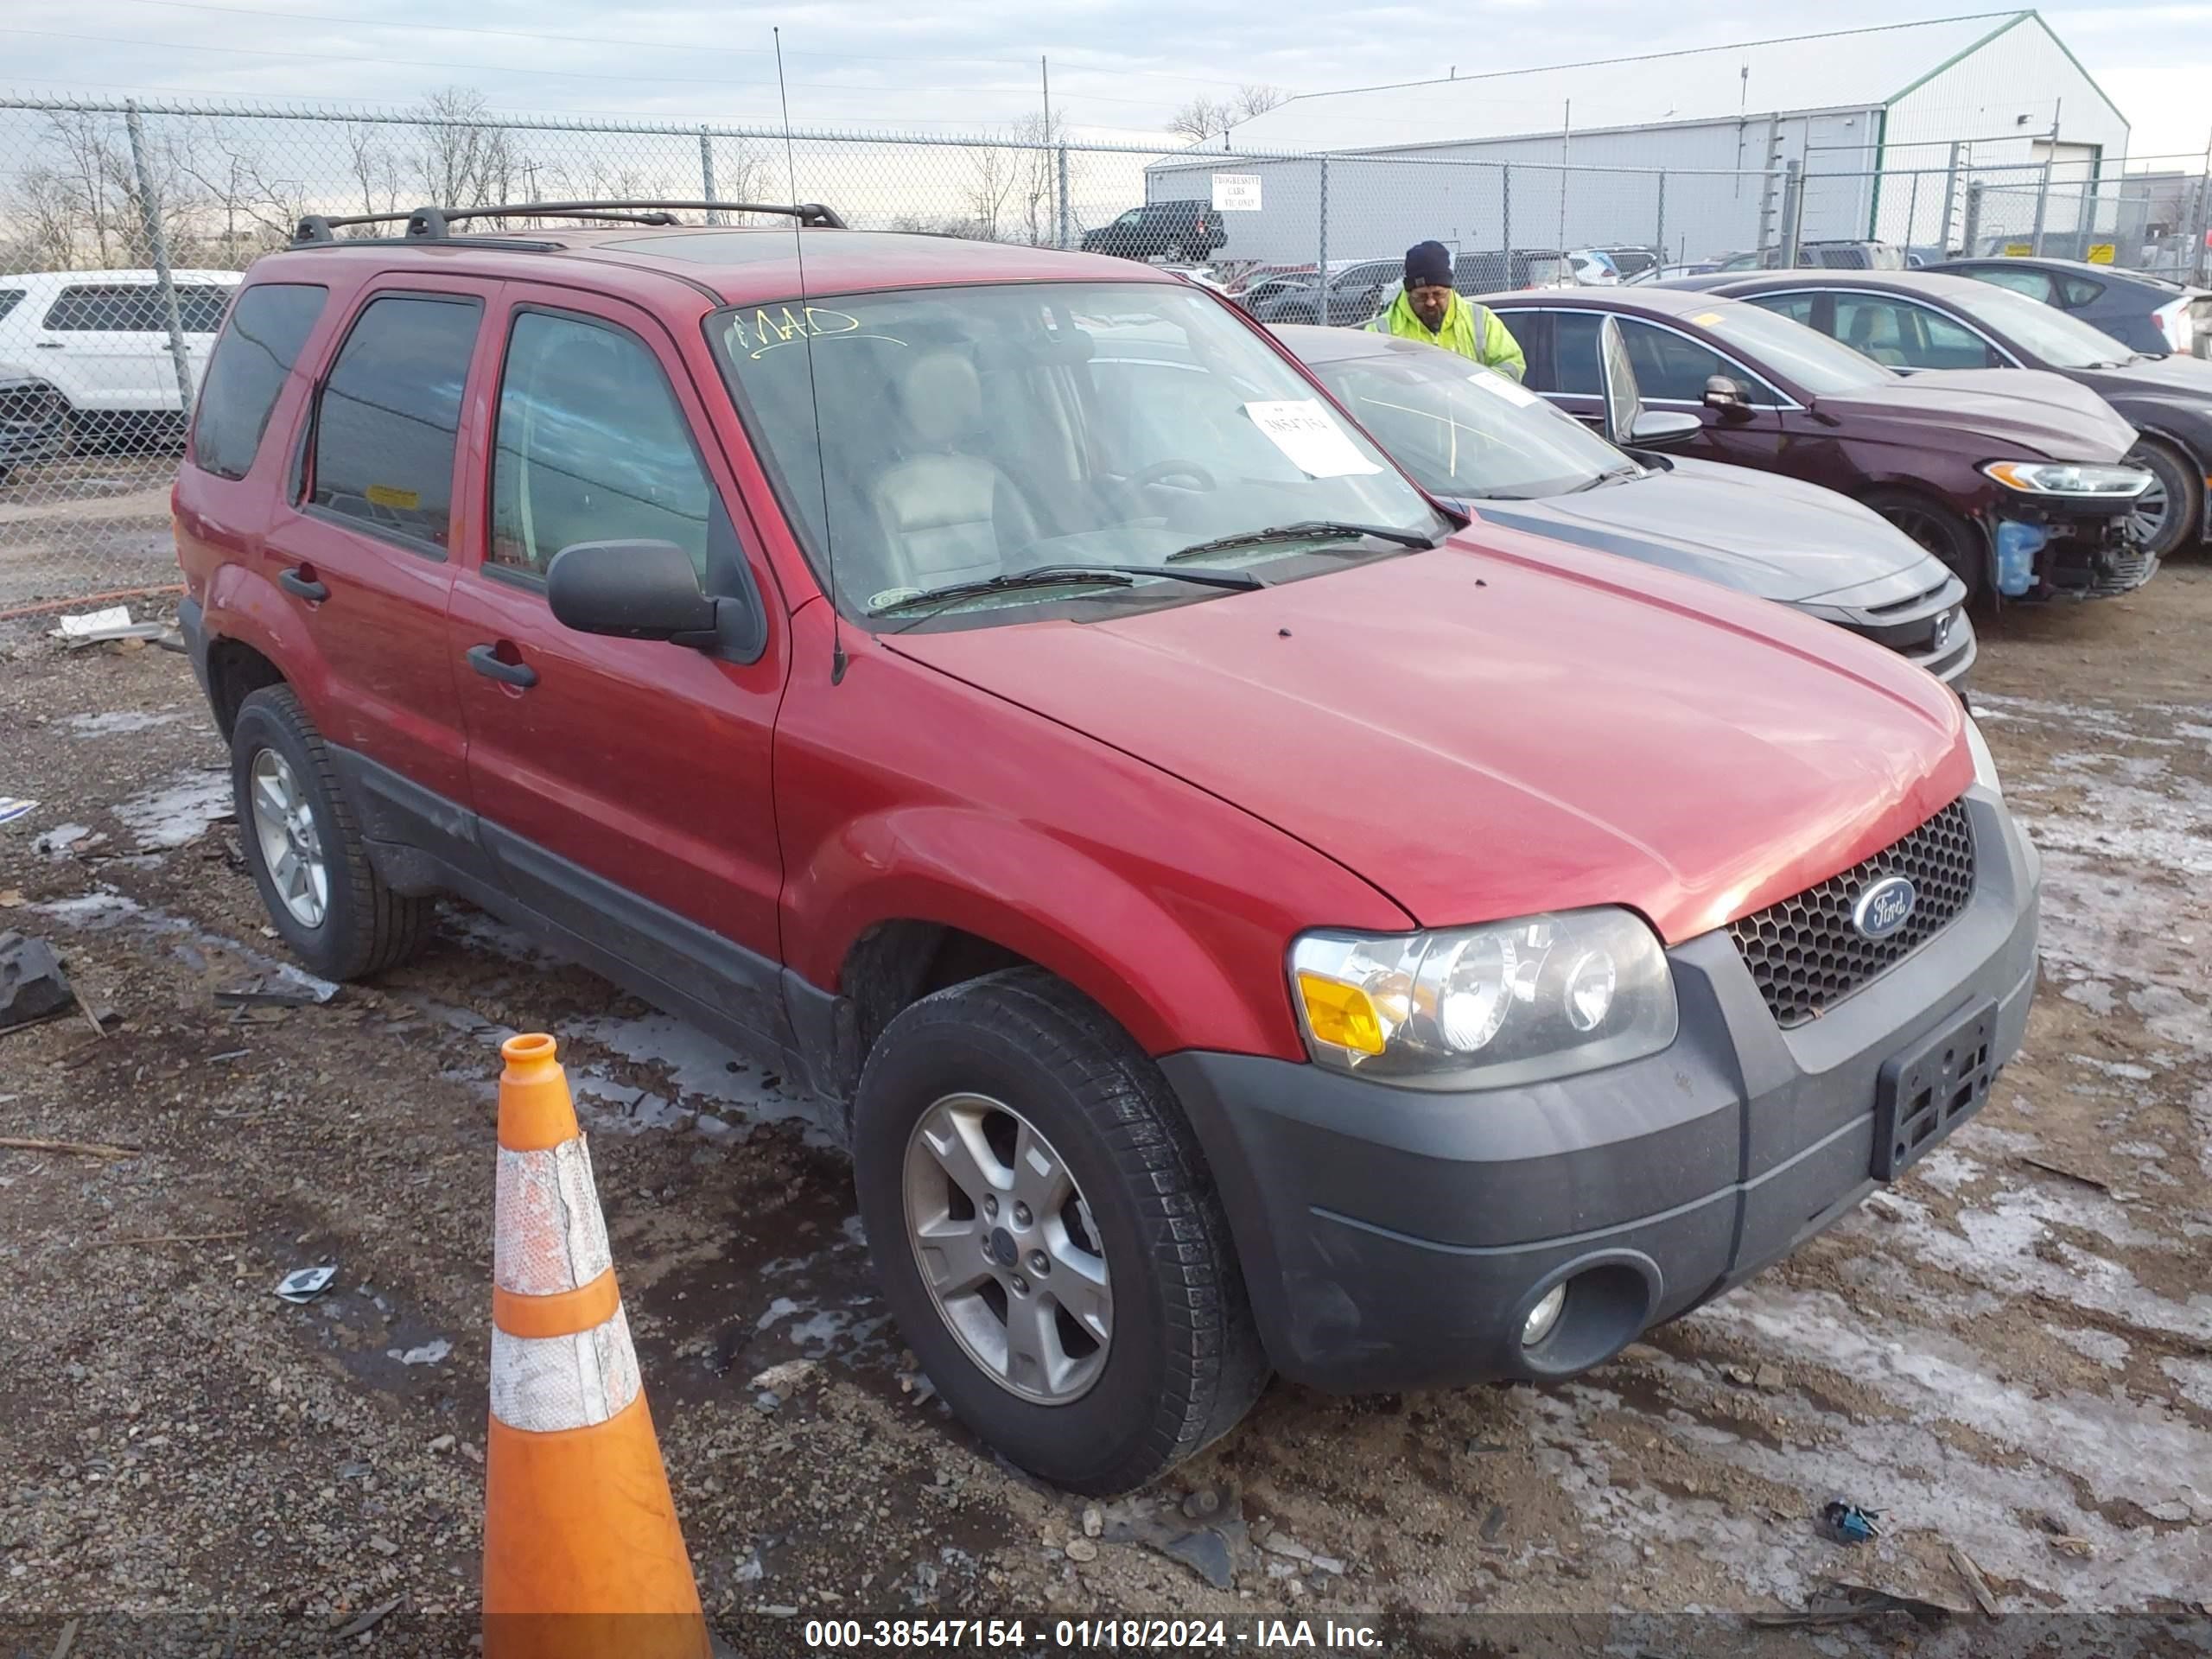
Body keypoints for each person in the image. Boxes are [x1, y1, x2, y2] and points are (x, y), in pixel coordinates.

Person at [1369, 239, 1526, 380]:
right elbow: (1368, 382)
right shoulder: (1382, 331)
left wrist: (1474, 391)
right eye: (1422, 296)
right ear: (1409, 293)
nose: (1431, 302)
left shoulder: (1480, 319)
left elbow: (1512, 364)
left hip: (1471, 411)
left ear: (1449, 289)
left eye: (1438, 294)